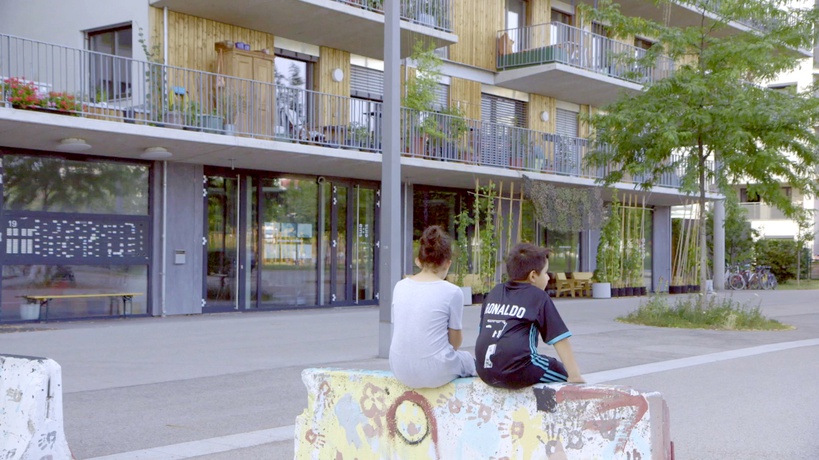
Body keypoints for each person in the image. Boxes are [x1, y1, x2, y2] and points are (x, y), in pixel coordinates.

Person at [475, 243, 584, 389]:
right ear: (533, 275)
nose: (548, 278)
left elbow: (483, 332)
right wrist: (574, 375)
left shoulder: (495, 292)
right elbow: (559, 338)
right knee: (558, 370)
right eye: (546, 273)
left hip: (484, 372)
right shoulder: (538, 296)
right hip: (518, 370)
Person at [389, 225, 477, 388]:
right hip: (435, 372)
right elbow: (455, 342)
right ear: (447, 264)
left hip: (399, 368)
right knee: (468, 360)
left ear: (418, 261)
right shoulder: (452, 292)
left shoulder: (400, 286)